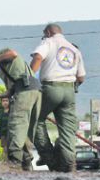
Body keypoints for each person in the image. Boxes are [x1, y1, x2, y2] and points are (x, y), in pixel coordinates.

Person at [30, 24, 86, 172]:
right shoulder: (74, 49)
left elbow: (37, 57)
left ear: (48, 32)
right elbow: (81, 77)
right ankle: (69, 165)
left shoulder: (48, 42)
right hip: (69, 91)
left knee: (35, 119)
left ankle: (50, 159)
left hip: (51, 88)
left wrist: (29, 77)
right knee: (67, 131)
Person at [0, 48, 42, 171]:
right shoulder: (4, 70)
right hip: (33, 91)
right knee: (24, 130)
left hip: (26, 90)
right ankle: (26, 163)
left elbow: (13, 53)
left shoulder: (3, 56)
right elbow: (11, 90)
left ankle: (14, 162)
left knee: (15, 125)